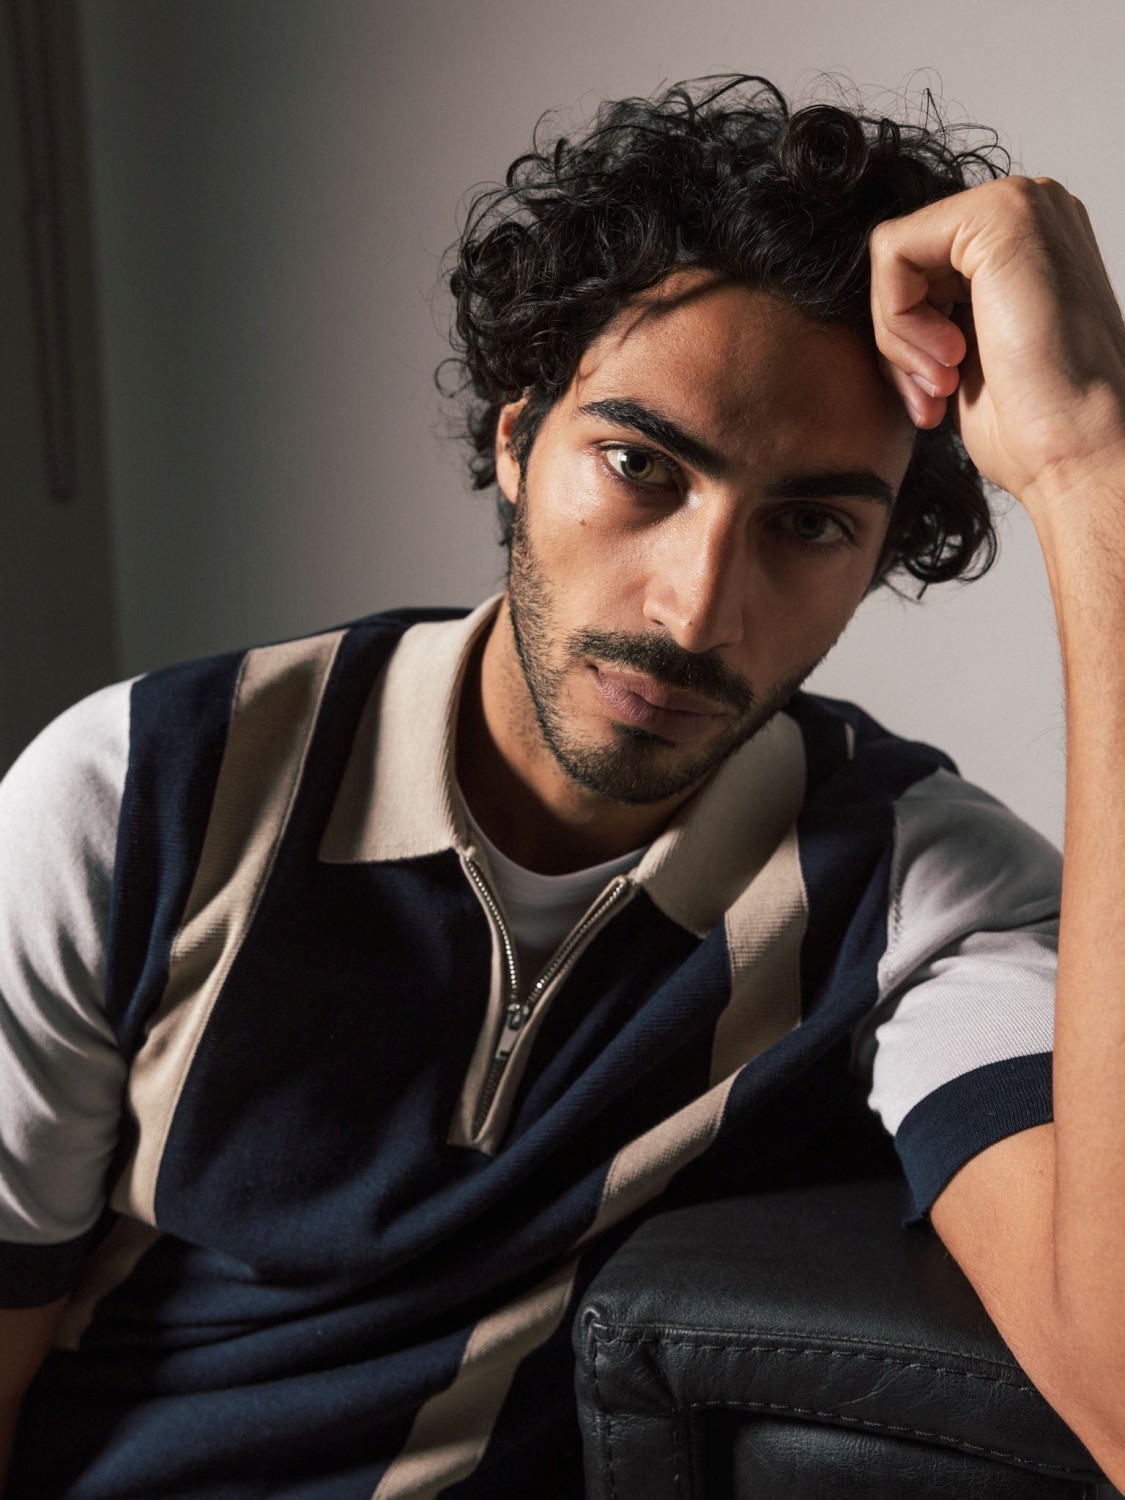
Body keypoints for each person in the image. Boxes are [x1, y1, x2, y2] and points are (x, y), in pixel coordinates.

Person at [1, 72, 1123, 1497]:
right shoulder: (137, 796)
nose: (695, 607)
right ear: (516, 437)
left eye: (809, 525)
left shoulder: (914, 891)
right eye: (640, 466)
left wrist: (1090, 467)